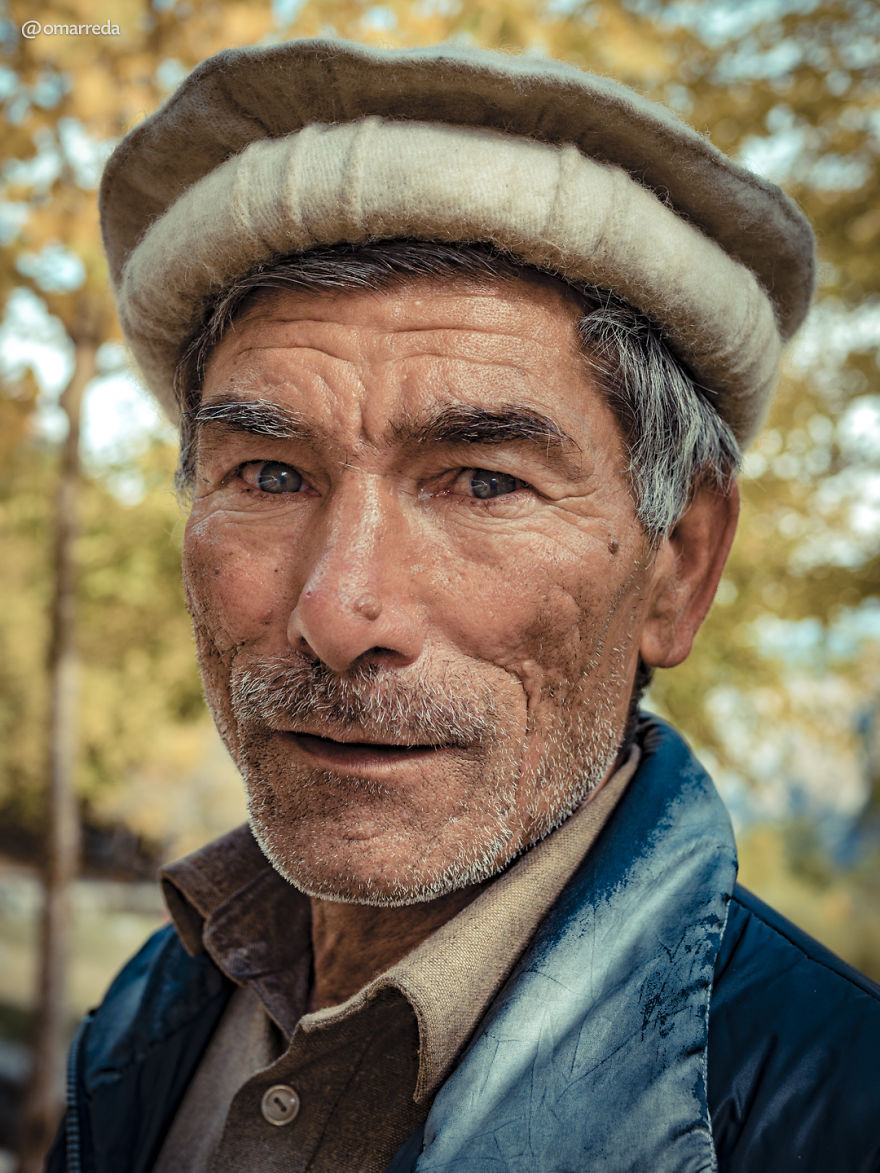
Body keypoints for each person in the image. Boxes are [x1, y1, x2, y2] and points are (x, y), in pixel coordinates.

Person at [48, 38, 879, 1173]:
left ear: (679, 566)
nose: (340, 615)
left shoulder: (836, 1110)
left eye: (484, 483)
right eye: (271, 475)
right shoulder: (158, 1002)